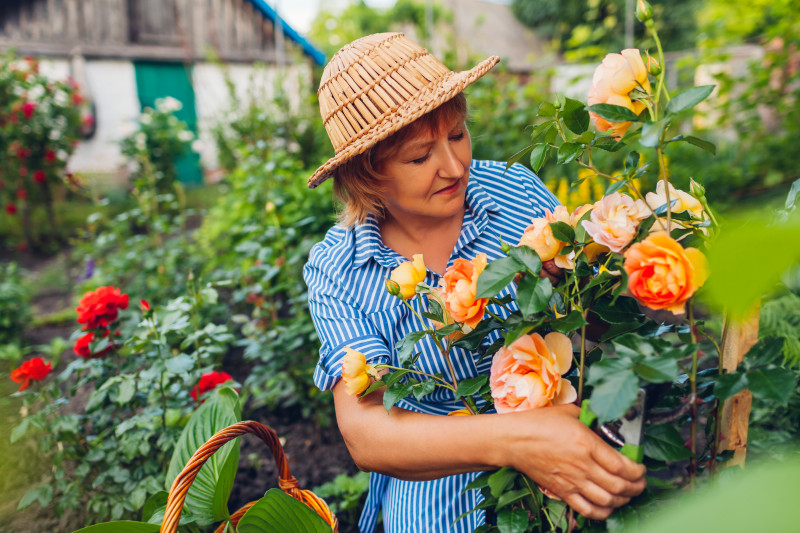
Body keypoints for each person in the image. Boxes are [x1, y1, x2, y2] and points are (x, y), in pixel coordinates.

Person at [303, 33, 646, 533]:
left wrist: (574, 285)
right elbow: (367, 433)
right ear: (368, 175)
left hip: (564, 416)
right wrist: (517, 440)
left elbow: (600, 338)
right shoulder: (341, 267)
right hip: (439, 463)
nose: (454, 165)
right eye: (420, 157)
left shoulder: (512, 191)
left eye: (458, 134)